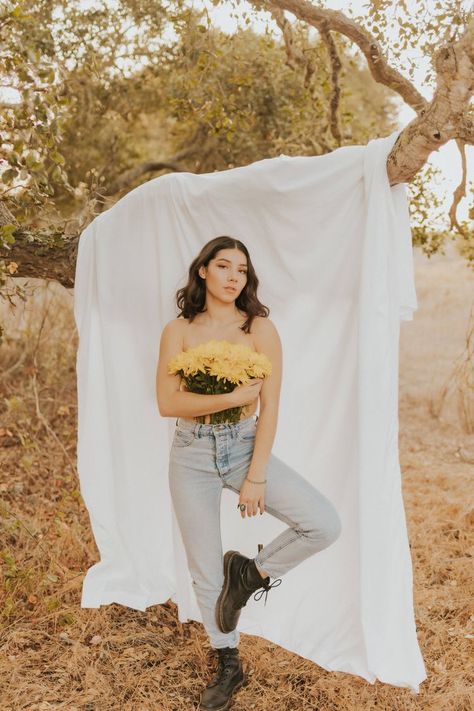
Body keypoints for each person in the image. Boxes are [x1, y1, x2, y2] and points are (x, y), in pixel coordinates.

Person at [156, 235, 342, 710]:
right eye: (223, 266)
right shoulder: (178, 330)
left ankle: (248, 573)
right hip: (191, 451)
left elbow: (271, 404)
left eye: (241, 269)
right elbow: (168, 402)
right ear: (203, 271)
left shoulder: (259, 328)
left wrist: (256, 473)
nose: (233, 276)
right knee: (203, 568)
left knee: (322, 523)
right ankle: (228, 663)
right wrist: (232, 398)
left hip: (242, 446)